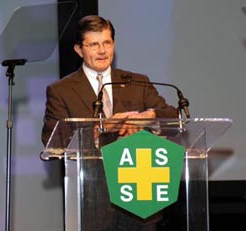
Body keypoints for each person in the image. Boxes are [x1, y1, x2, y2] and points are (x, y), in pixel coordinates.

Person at [41, 15, 178, 231]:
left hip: (140, 196)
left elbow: (173, 116)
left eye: (107, 42)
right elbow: (52, 139)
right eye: (94, 44)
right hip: (92, 202)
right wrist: (99, 129)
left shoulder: (136, 82)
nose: (102, 51)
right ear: (79, 49)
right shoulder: (61, 90)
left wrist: (148, 116)